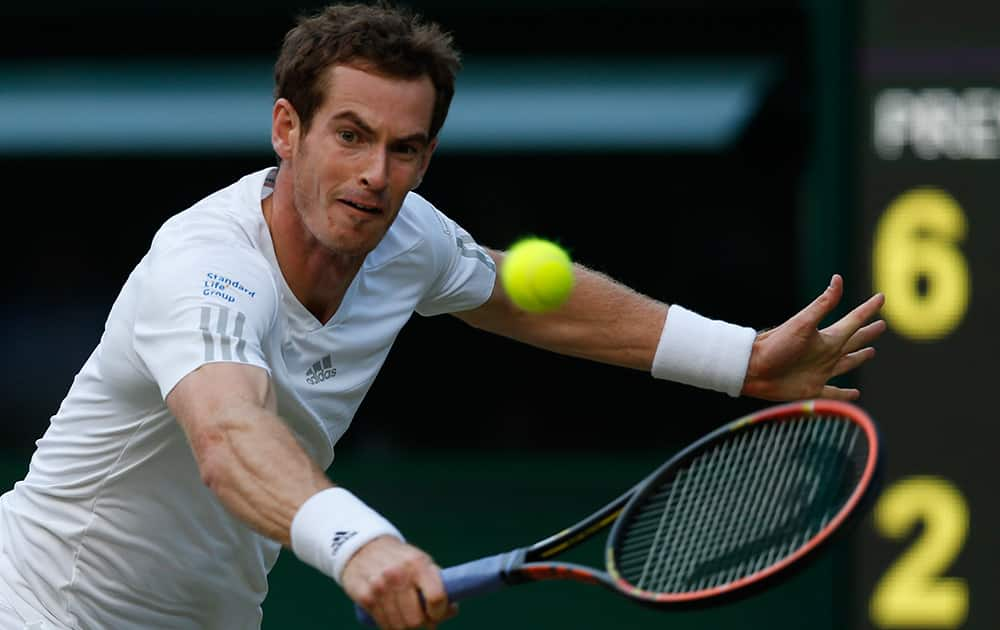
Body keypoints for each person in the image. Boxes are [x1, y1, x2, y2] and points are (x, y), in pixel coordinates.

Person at [0, 2, 886, 629]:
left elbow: (517, 294)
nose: (376, 174)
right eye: (350, 135)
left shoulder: (404, 235)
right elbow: (230, 438)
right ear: (286, 130)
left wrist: (740, 359)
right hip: (39, 605)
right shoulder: (204, 266)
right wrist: (361, 544)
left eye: (405, 148)